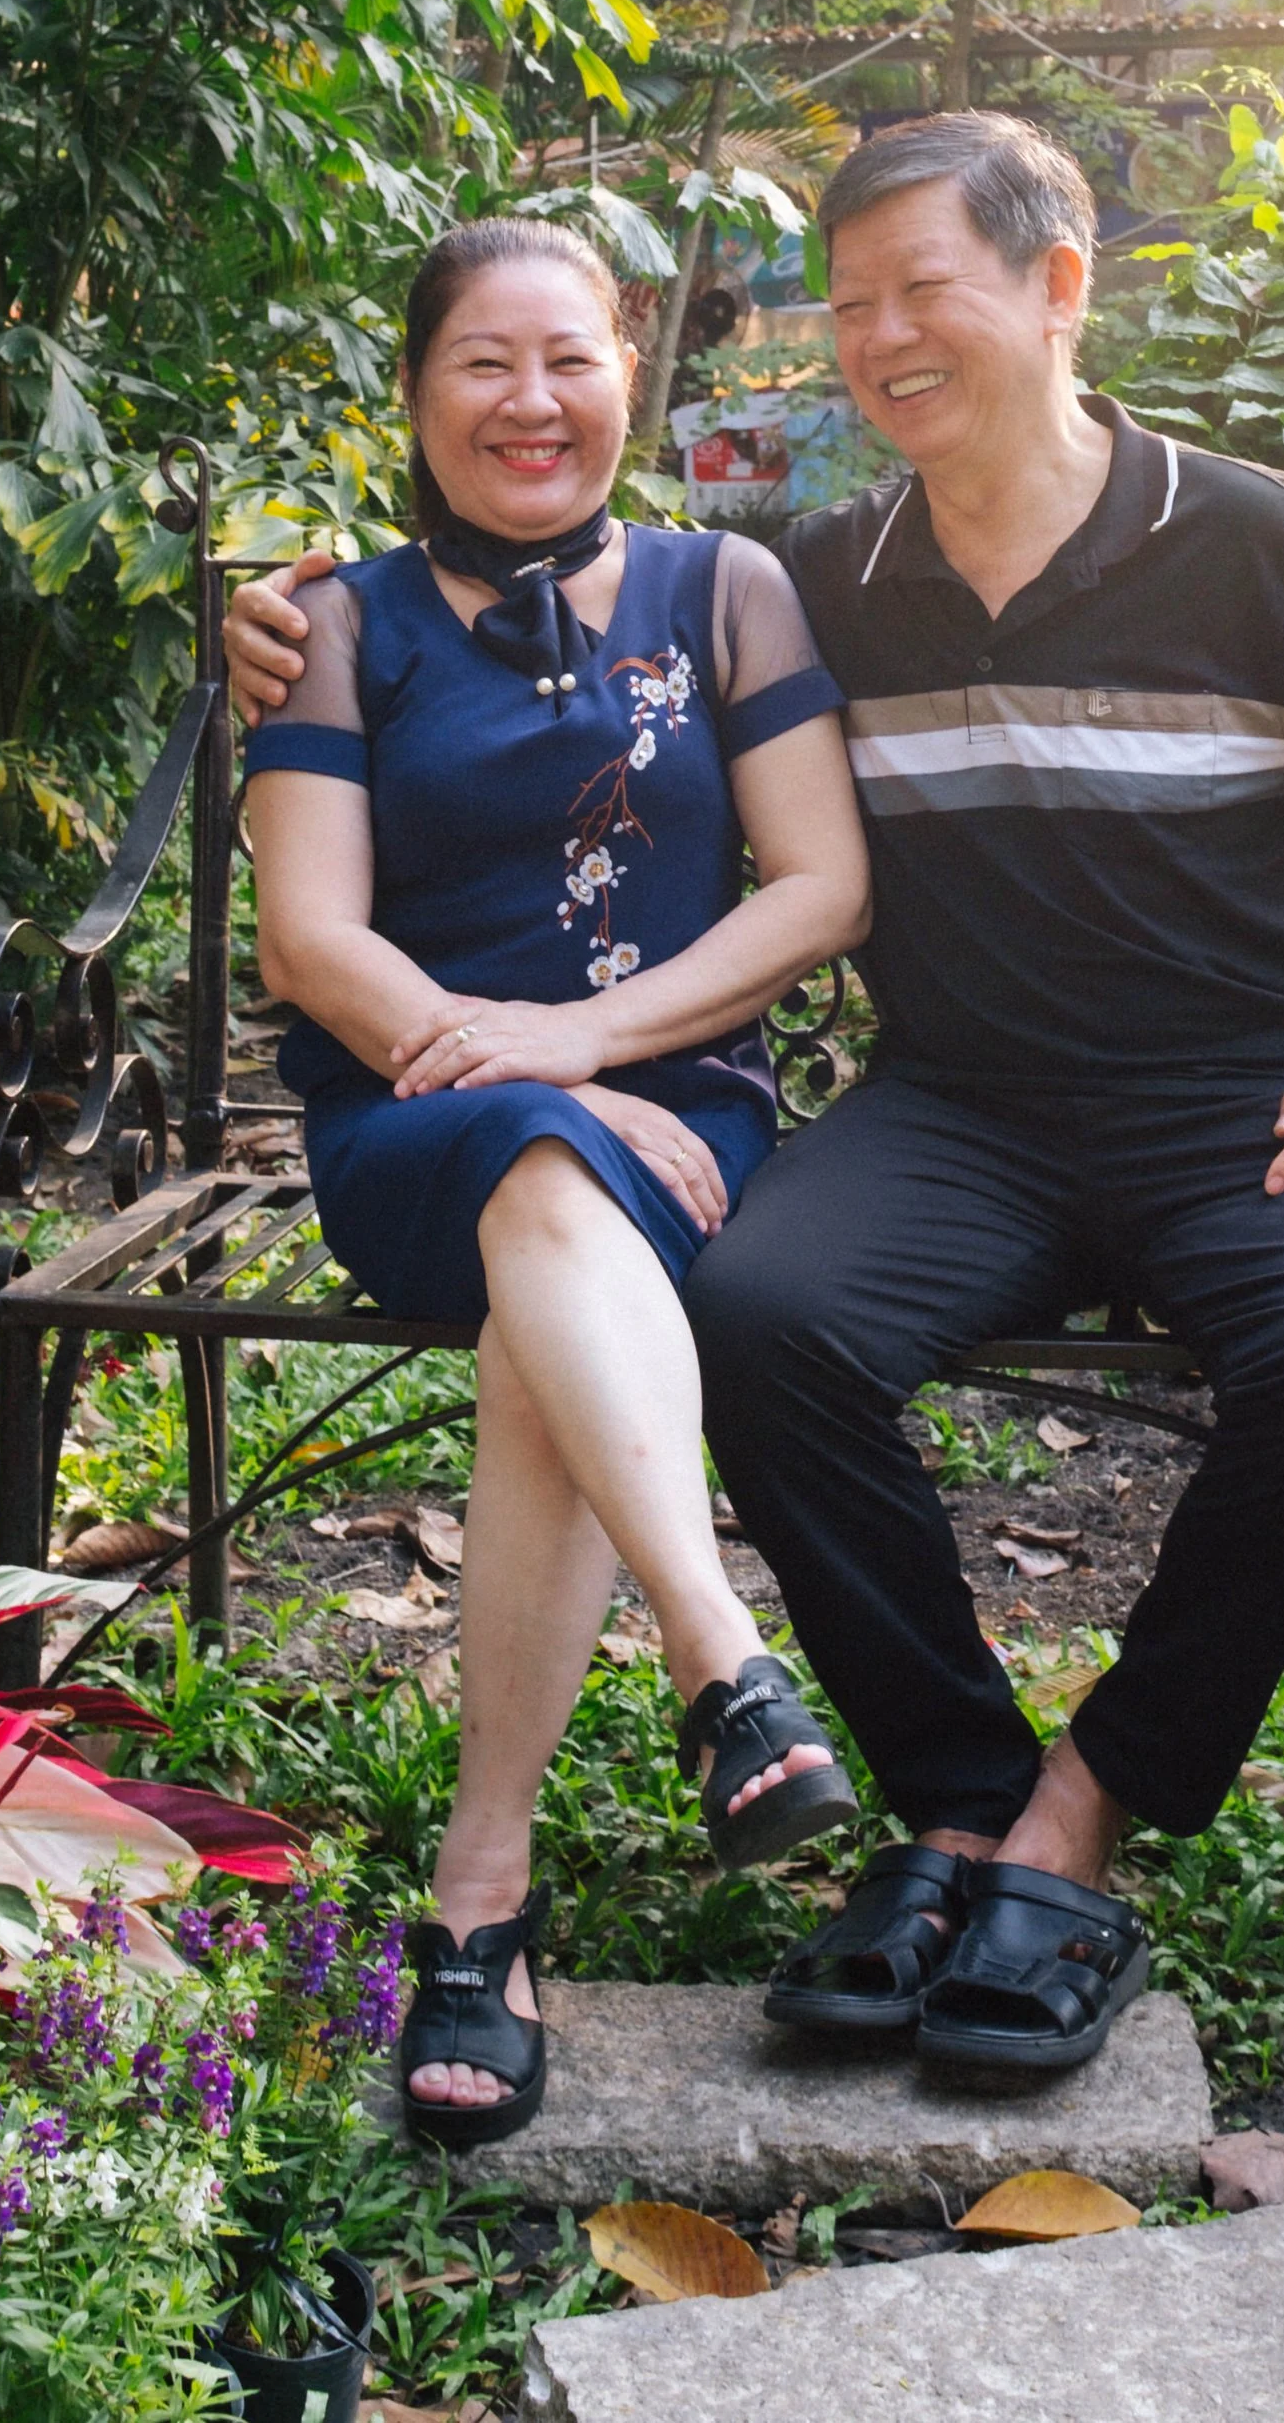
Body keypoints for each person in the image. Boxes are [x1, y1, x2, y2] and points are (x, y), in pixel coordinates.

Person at [233, 117, 1284, 2084]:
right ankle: (950, 1801)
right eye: (846, 306)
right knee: (764, 1319)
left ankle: (1073, 1816)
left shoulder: (1241, 539)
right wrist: (279, 619)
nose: (878, 338)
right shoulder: (829, 576)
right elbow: (549, 604)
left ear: (1056, 283)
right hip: (964, 1109)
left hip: (1233, 1104)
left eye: (920, 290)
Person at [241, 216, 869, 2150]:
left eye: (572, 357)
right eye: (484, 365)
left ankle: (480, 1904)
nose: (534, 401)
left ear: (631, 376)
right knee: (532, 1168)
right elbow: (309, 941)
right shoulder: (333, 618)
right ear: (417, 398)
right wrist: (497, 1048)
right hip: (416, 1108)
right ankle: (722, 1655)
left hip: (669, 1105)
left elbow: (823, 885)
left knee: (555, 1240)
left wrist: (578, 1049)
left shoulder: (728, 586)